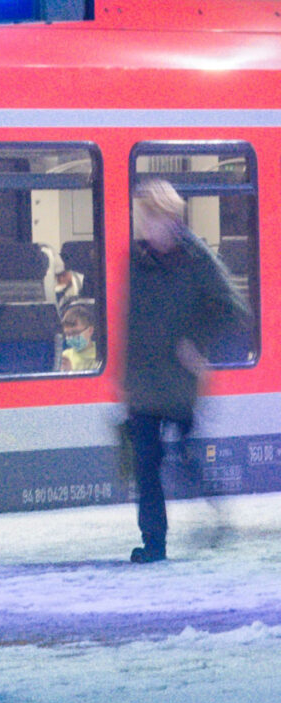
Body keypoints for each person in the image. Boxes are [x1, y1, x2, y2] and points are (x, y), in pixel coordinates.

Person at [124, 178, 245, 563]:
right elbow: (129, 319)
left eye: (150, 218)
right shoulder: (135, 259)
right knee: (146, 467)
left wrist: (195, 340)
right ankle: (154, 544)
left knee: (188, 458)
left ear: (170, 218)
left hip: (178, 380)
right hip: (144, 383)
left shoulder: (197, 259)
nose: (144, 227)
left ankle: (216, 513)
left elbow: (233, 309)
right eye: (141, 218)